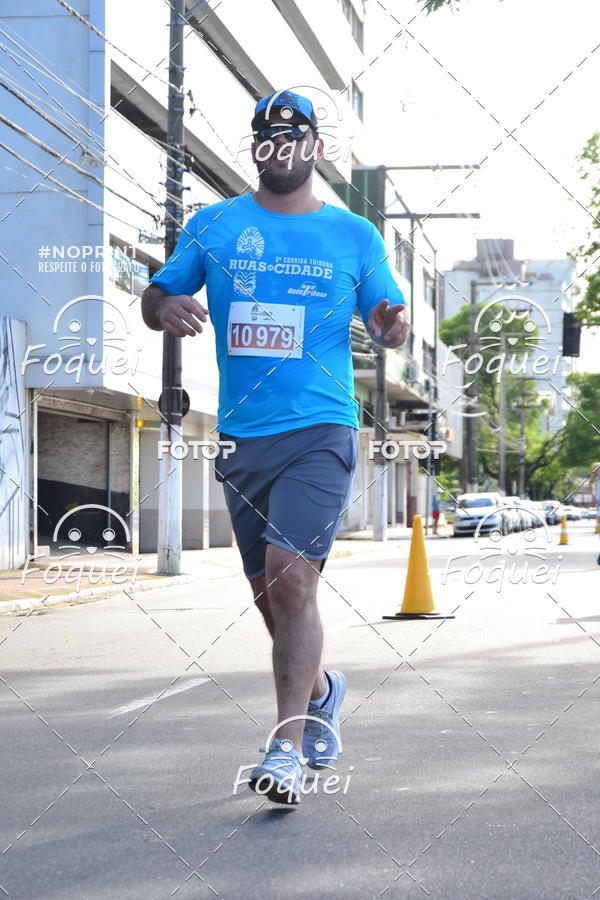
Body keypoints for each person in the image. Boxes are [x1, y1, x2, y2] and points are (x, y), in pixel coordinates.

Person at [141, 90, 409, 804]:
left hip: (321, 428)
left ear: (314, 149)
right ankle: (323, 689)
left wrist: (390, 324)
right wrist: (161, 304)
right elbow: (157, 292)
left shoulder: (354, 236)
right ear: (255, 147)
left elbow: (389, 317)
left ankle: (285, 747)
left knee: (293, 581)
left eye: (294, 138)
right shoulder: (215, 225)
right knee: (273, 600)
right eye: (267, 138)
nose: (280, 149)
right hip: (241, 438)